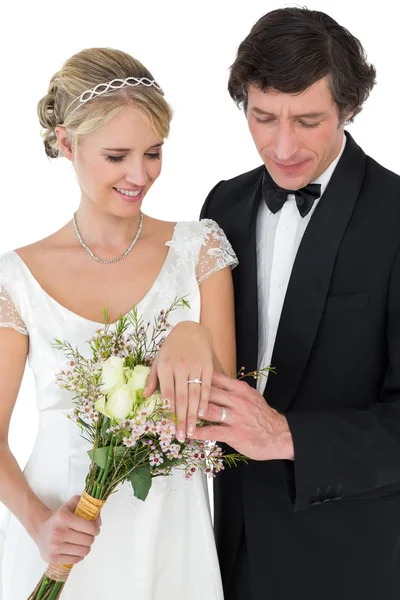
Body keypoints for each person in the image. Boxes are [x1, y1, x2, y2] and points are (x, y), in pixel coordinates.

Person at [0, 47, 237, 599]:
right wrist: (40, 524)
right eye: (117, 156)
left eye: (153, 153)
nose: (140, 174)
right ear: (66, 144)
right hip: (59, 538)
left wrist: (192, 332)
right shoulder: (17, 279)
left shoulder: (199, 251)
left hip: (169, 538)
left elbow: (228, 423)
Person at [196, 7, 400, 600]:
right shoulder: (223, 205)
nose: (282, 147)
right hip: (228, 552)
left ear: (350, 108)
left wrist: (287, 436)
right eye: (263, 118)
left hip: (347, 563)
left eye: (308, 120)